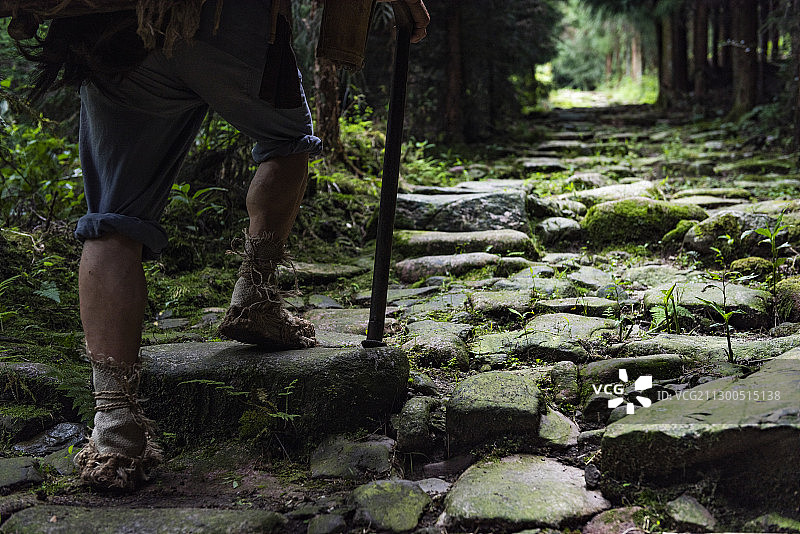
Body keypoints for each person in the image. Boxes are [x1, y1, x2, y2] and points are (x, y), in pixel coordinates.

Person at [21, 0, 429, 491]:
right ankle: (254, 295)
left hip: (114, 24)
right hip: (223, 19)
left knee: (113, 217)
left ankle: (114, 431)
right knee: (288, 142)